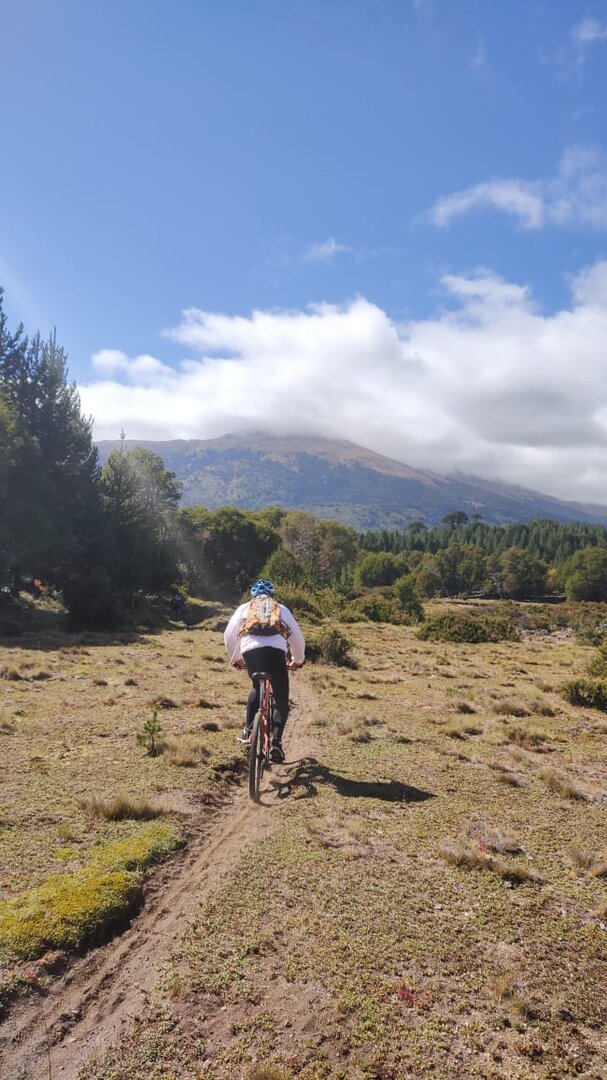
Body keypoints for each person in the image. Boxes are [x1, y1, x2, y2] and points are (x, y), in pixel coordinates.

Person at [224, 579, 305, 763]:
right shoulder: (281, 609)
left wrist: (236, 658)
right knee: (281, 697)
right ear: (272, 595)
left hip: (251, 652)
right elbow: (297, 637)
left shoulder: (245, 608)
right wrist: (297, 659)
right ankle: (276, 742)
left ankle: (248, 731)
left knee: (256, 686)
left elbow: (229, 634)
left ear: (252, 595)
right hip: (276, 653)